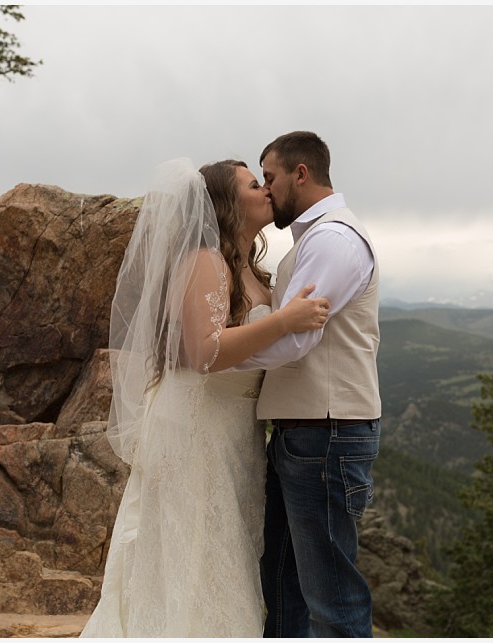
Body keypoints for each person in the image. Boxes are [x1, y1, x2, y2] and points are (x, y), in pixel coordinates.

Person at [79, 158, 330, 638]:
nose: (266, 191)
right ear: (226, 202)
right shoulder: (204, 260)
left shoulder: (247, 267)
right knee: (193, 552)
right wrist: (285, 320)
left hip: (232, 429)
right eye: (253, 185)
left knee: (222, 551)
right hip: (196, 427)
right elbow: (204, 352)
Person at [237, 131, 382, 637]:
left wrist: (215, 357)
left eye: (271, 178)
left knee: (331, 598)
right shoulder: (312, 241)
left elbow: (295, 340)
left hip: (327, 433)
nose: (267, 190)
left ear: (301, 174)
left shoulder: (334, 239)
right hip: (304, 433)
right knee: (281, 588)